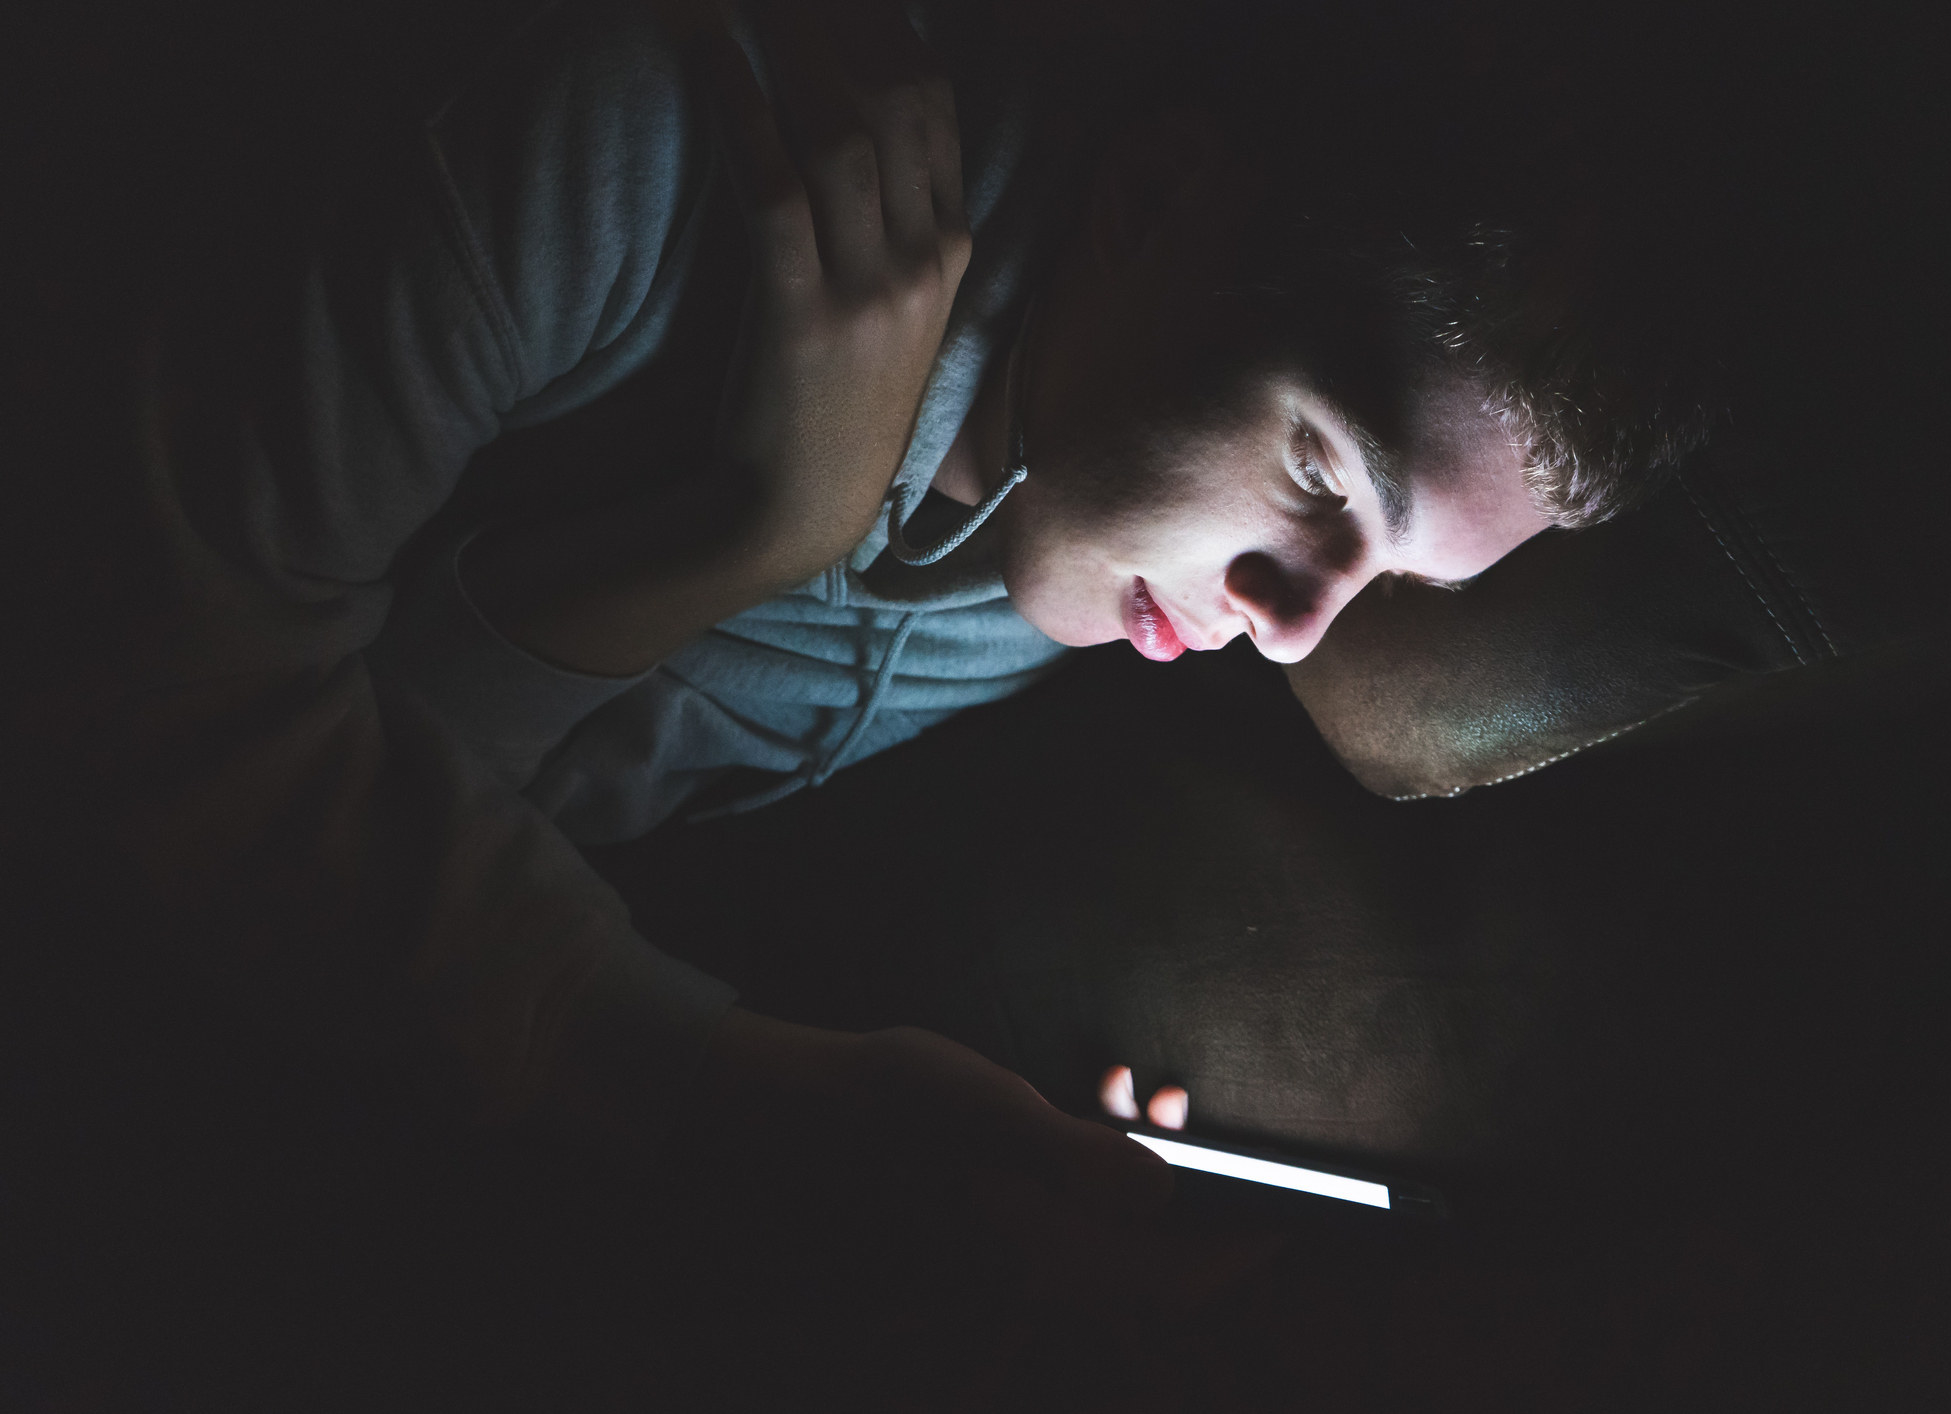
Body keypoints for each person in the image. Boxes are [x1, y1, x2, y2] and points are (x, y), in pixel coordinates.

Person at [75, 0, 1703, 1256]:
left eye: (1390, 583)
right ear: (1156, 201)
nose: (1290, 630)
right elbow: (133, 739)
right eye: (1321, 472)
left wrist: (712, 558)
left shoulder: (1097, 543)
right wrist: (712, 1084)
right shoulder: (620, 156)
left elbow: (441, 800)